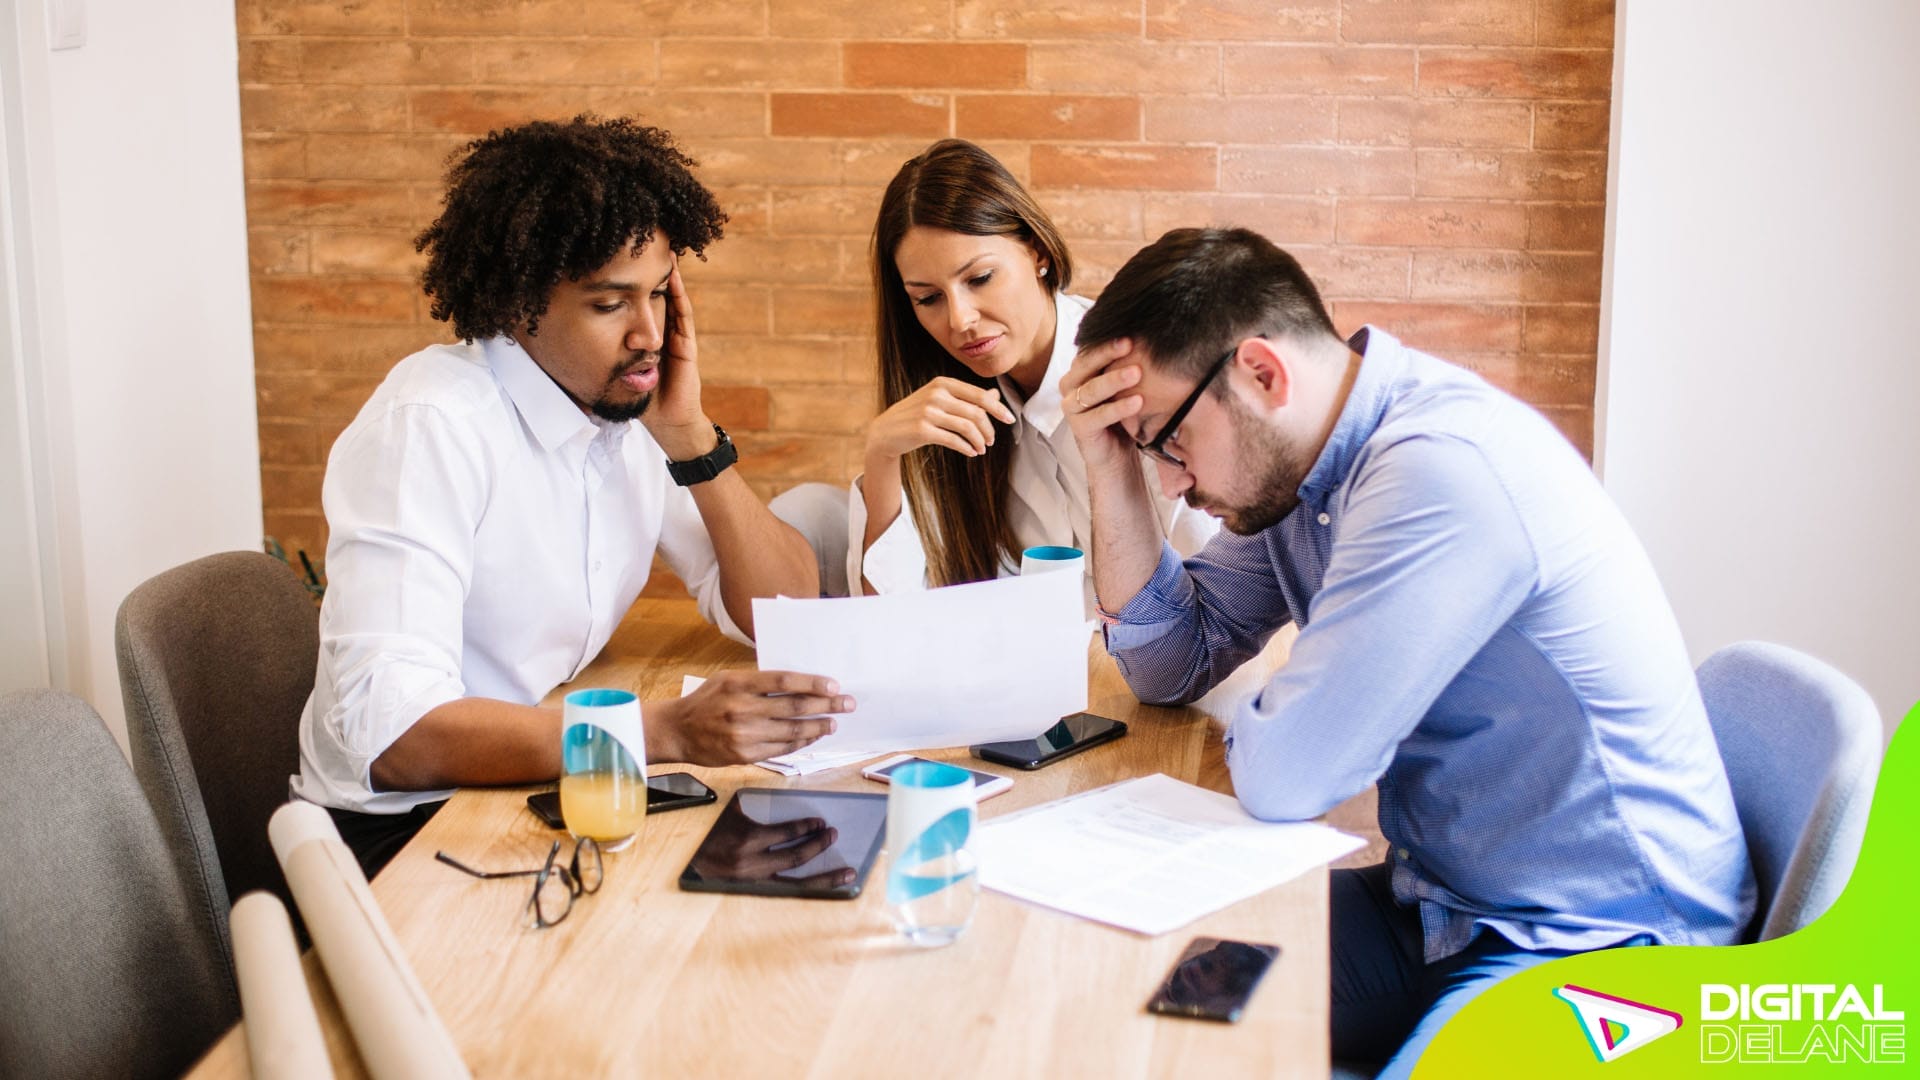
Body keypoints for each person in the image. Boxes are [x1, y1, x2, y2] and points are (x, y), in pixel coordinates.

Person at [1060, 227, 1754, 1076]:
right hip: (1439, 908)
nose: (1170, 479)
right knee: (1123, 983)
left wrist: (1296, 715)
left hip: (1604, 944)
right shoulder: (1301, 477)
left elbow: (1289, 777)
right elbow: (1170, 665)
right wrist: (1110, 468)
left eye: (1168, 441)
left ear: (1262, 375)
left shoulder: (1438, 473)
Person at [292, 116, 855, 876]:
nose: (650, 334)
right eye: (609, 304)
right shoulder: (429, 427)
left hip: (533, 782)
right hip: (406, 833)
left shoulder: (623, 411)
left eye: (659, 294)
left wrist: (689, 437)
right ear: (521, 303)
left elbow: (786, 617)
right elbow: (391, 736)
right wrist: (662, 732)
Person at [843, 139, 1216, 597]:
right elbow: (891, 616)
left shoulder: (1135, 379)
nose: (960, 320)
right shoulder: (950, 410)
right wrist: (881, 453)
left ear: (1037, 251)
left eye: (979, 278)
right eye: (928, 298)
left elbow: (1218, 594)